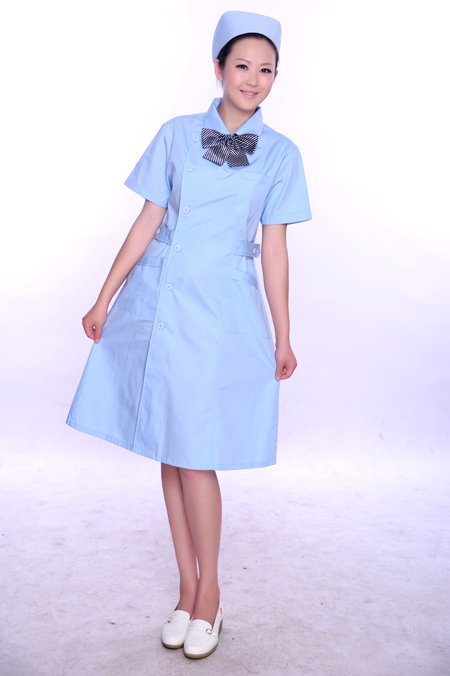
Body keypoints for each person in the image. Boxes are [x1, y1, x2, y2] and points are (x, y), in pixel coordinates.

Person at [66, 10, 311, 660]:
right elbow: (148, 220)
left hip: (222, 314)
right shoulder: (176, 134)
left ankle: (212, 597)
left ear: (276, 77)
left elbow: (275, 250)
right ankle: (185, 591)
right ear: (218, 68)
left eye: (266, 69)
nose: (253, 79)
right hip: (161, 303)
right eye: (242, 65)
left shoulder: (282, 154)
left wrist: (284, 335)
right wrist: (104, 296)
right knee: (171, 455)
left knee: (197, 455)